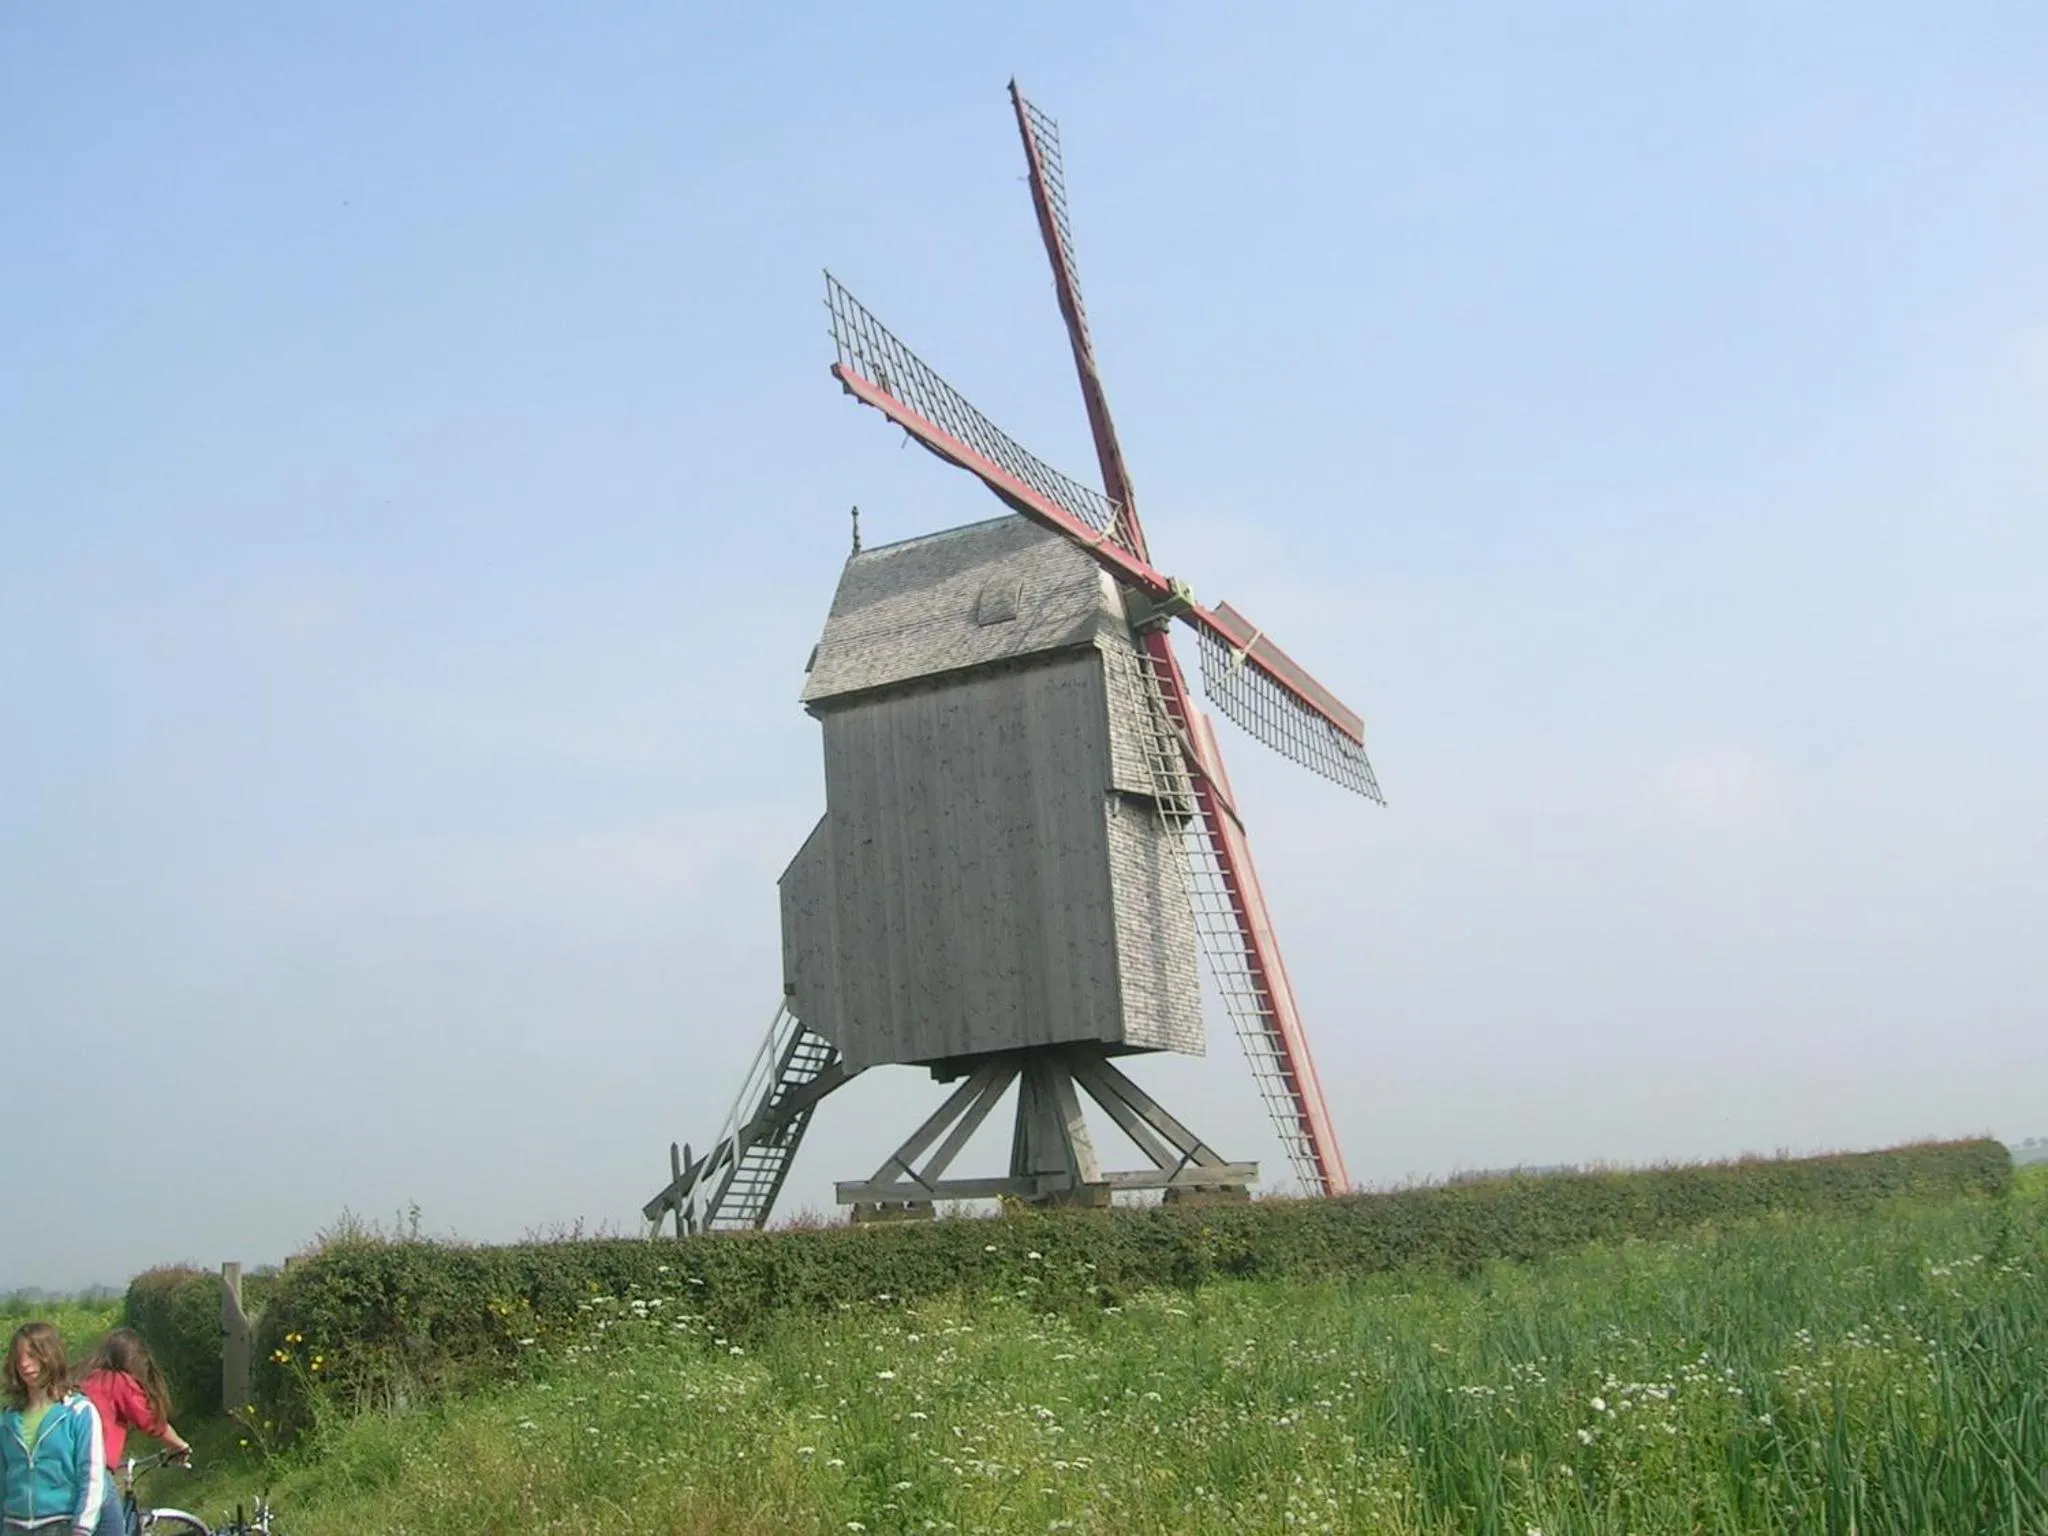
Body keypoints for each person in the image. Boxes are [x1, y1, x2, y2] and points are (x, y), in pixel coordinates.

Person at [76, 1331, 190, 1536]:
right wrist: (180, 1445)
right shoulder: (119, 1382)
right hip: (95, 1473)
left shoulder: (87, 1379)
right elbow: (152, 1423)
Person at [1, 1321, 106, 1536]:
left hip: (61, 1526)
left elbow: (92, 1475)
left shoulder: (78, 1412)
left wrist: (82, 1528)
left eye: (32, 1355)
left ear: (51, 1356)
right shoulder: (7, 1419)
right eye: (18, 1357)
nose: (24, 1364)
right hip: (13, 1526)